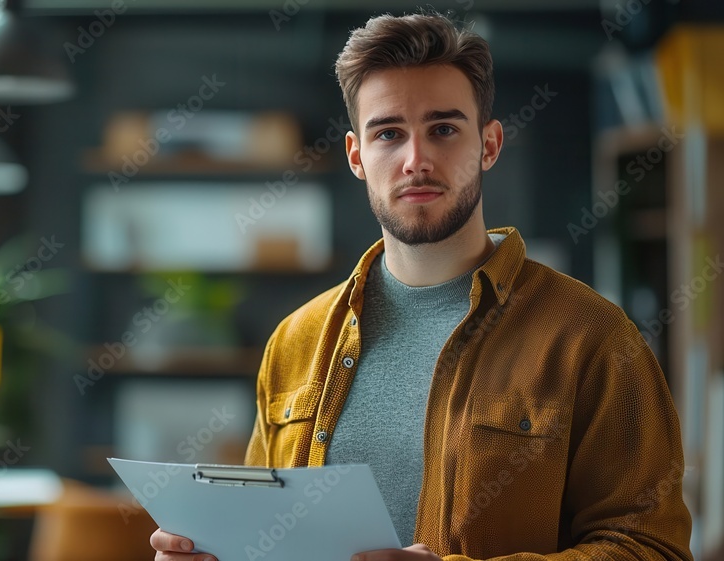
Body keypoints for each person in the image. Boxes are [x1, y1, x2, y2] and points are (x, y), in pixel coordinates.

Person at [151, 10, 693, 561]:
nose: (416, 160)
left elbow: (654, 548)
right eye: (389, 133)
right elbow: (258, 540)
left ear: (489, 144)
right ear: (357, 156)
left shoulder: (592, 338)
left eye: (443, 129)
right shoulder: (295, 342)